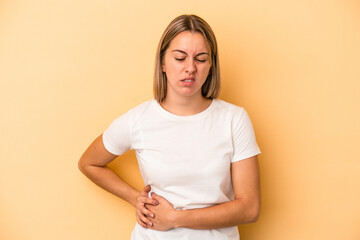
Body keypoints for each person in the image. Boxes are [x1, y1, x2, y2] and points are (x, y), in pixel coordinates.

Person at [78, 14, 261, 240]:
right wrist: (134, 198)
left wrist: (174, 218)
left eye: (201, 59)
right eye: (180, 58)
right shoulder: (138, 120)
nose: (190, 68)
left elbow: (249, 208)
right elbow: (89, 163)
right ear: (163, 63)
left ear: (212, 65)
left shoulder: (234, 119)